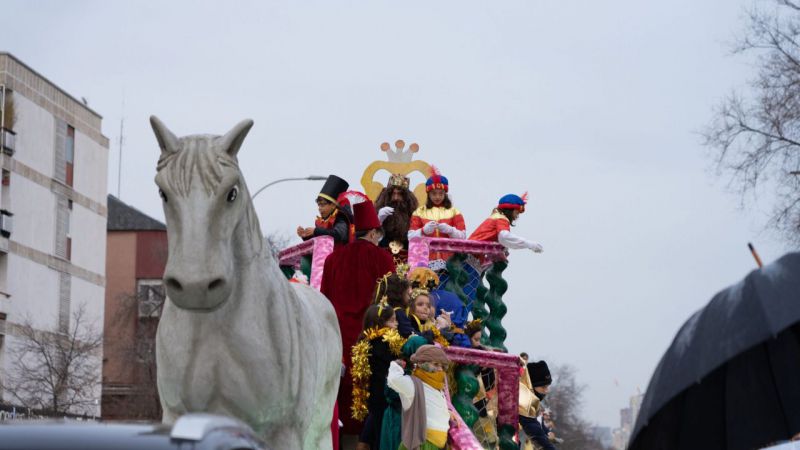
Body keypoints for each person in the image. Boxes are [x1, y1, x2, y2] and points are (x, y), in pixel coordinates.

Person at [321, 197, 396, 435]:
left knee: (338, 383)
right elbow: (390, 299)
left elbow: (323, 298)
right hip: (370, 334)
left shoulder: (333, 259)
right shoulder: (383, 258)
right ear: (374, 233)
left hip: (338, 333)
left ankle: (336, 431)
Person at [352, 304, 405, 450]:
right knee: (383, 433)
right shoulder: (382, 342)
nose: (397, 324)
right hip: (384, 396)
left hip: (375, 395)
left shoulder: (368, 341)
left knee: (377, 429)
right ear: (380, 323)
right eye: (392, 321)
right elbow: (387, 370)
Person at [387, 345, 455, 450]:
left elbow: (432, 406)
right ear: (420, 364)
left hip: (438, 445)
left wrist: (447, 413)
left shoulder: (436, 385)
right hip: (421, 445)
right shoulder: (413, 384)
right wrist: (396, 365)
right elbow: (393, 380)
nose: (440, 369)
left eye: (442, 365)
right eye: (436, 364)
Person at [408, 167, 466, 270]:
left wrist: (450, 230)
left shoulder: (454, 212)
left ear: (445, 194)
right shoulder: (419, 212)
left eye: (441, 193)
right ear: (428, 194)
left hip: (450, 263)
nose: (437, 197)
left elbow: (462, 237)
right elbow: (410, 237)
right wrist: (423, 231)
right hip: (425, 262)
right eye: (434, 193)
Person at [468, 193, 544, 254]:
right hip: (471, 254)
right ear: (510, 210)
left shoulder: (496, 217)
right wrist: (530, 244)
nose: (517, 216)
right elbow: (504, 237)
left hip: (472, 253)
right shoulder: (501, 219)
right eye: (517, 212)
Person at [296, 174, 351, 246]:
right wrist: (306, 236)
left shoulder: (340, 217)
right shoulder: (321, 222)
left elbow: (338, 235)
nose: (320, 208)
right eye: (319, 205)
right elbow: (319, 243)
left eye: (323, 204)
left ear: (333, 205)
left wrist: (316, 231)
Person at [374, 174, 419, 261]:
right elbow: (371, 241)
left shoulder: (413, 214)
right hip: (382, 260)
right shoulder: (378, 212)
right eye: (393, 194)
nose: (395, 198)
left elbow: (415, 244)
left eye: (399, 194)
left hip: (406, 261)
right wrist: (379, 220)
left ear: (406, 197)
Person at [519, 360, 557, 450]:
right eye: (543, 387)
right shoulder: (524, 398)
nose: (546, 390)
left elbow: (537, 425)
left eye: (547, 386)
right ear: (531, 385)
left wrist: (546, 433)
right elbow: (533, 428)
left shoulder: (529, 398)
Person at [374, 273, 415, 338]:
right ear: (399, 293)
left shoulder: (379, 309)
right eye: (408, 294)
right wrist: (429, 334)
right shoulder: (398, 312)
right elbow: (409, 333)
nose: (409, 298)